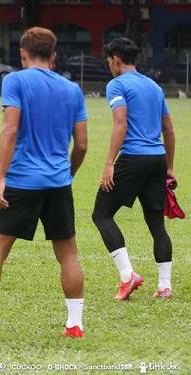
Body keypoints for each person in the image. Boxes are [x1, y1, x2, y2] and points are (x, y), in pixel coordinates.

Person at [0, 27, 88, 340]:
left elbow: (9, 131)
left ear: (22, 53)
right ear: (53, 55)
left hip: (21, 181)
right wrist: (66, 173)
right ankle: (75, 325)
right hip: (58, 182)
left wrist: (0, 177)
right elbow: (81, 144)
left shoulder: (14, 80)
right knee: (68, 254)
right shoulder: (73, 90)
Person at [92, 38, 176, 300]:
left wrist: (108, 164)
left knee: (102, 214)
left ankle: (127, 276)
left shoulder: (117, 84)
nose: (109, 66)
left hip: (133, 159)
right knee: (156, 224)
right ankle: (164, 286)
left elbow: (121, 123)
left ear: (116, 59)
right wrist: (170, 167)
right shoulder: (153, 86)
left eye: (109, 61)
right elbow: (169, 130)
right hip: (158, 159)